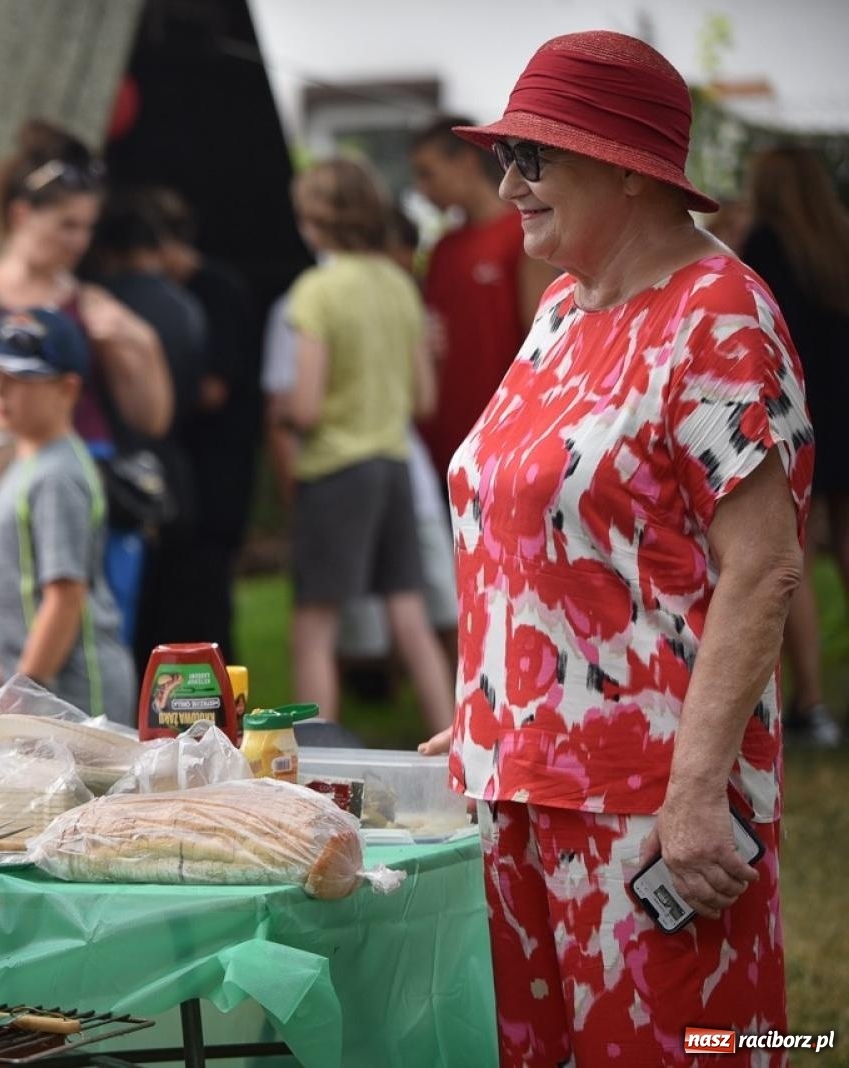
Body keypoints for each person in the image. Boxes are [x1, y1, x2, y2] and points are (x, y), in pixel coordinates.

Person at [433, 31, 811, 1064]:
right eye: (501, 156)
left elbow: (765, 567)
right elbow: (531, 521)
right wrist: (487, 708)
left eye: (531, 156)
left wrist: (694, 794)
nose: (507, 184)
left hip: (646, 804)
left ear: (628, 168)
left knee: (682, 1050)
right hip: (515, 782)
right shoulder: (562, 310)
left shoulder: (718, 318)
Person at [0, 119, 170, 711]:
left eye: (87, 227)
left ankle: (71, 722)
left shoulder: (88, 303)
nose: (79, 242)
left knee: (78, 611)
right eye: (66, 225)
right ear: (22, 215)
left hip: (78, 471)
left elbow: (151, 417)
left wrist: (142, 342)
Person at [279, 157, 455, 733]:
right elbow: (423, 400)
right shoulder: (399, 285)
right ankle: (454, 748)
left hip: (336, 471)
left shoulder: (316, 290)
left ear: (312, 222)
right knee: (409, 613)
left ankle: (313, 760)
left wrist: (285, 411)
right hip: (394, 464)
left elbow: (304, 405)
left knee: (314, 627)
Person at [0, 308, 136, 722]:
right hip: (42, 691)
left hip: (76, 698)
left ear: (67, 390)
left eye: (17, 380)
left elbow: (64, 597)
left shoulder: (58, 474)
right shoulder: (27, 463)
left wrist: (21, 693)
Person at [742, 145, 849, 748]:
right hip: (845, 404)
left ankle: (810, 702)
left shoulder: (764, 244)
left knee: (794, 556)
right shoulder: (839, 238)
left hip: (799, 411)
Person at [81, 188, 210, 668]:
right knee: (175, 611)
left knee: (121, 609)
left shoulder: (103, 309)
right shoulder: (187, 308)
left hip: (118, 471)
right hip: (175, 467)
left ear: (109, 252)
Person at [150, 187, 264, 661]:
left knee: (209, 590)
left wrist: (152, 400)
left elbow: (215, 388)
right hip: (193, 466)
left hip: (218, 464)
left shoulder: (217, 290)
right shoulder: (181, 293)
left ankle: (218, 688)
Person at [410, 115, 555, 479]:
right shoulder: (442, 248)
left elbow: (541, 341)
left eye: (428, 173)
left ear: (466, 162)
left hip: (504, 432)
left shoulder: (522, 234)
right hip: (444, 434)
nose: (423, 189)